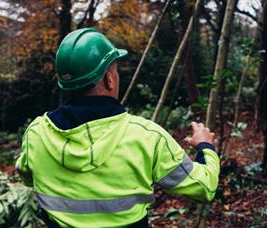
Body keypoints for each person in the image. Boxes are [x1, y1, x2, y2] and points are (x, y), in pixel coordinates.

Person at [16, 28, 220, 227]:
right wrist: (205, 146)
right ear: (109, 79)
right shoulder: (147, 137)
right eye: (115, 70)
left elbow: (27, 175)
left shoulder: (36, 134)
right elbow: (204, 187)